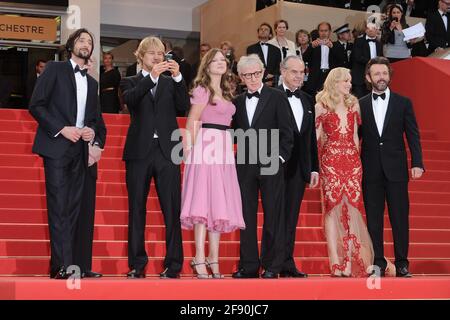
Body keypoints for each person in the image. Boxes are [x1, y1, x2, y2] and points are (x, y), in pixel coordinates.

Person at [28, 28, 98, 279]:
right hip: (56, 146)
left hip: (79, 150)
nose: (86, 44)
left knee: (74, 208)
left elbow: (93, 118)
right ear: (71, 45)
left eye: (89, 42)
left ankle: (70, 265)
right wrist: (61, 129)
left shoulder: (92, 82)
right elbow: (36, 105)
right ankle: (61, 266)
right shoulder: (55, 69)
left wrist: (91, 131)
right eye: (81, 39)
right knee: (59, 206)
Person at [120, 36, 190, 279]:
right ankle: (137, 265)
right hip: (139, 152)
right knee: (136, 209)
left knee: (172, 209)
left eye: (160, 54)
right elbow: (131, 100)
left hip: (168, 151)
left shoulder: (172, 84)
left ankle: (173, 265)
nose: (157, 58)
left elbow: (183, 106)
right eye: (151, 53)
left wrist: (179, 77)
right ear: (141, 56)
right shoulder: (129, 81)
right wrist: (152, 78)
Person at [180, 48, 245, 278]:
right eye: (215, 60)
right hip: (206, 146)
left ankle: (213, 259)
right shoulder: (202, 89)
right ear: (207, 66)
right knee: (201, 204)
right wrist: (190, 152)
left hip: (224, 148)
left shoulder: (227, 91)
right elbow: (192, 121)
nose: (220, 63)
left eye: (223, 60)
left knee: (219, 206)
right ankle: (198, 258)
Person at [360, 57, 424, 277]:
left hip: (396, 169)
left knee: (399, 217)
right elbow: (353, 138)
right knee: (374, 219)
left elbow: (413, 134)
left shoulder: (403, 102)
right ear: (369, 77)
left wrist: (417, 162)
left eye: (385, 74)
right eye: (377, 74)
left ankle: (402, 262)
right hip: (370, 170)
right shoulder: (361, 104)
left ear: (389, 76)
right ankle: (377, 262)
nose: (381, 78)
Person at [231, 54, 294, 279]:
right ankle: (248, 266)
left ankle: (272, 266)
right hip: (245, 166)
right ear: (240, 77)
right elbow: (232, 134)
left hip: (271, 164)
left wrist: (279, 159)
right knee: (245, 216)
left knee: (273, 215)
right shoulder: (236, 102)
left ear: (263, 72)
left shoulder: (276, 97)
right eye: (247, 75)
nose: (253, 78)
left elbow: (287, 133)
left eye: (256, 73)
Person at [315, 67, 374, 277]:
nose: (350, 84)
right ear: (335, 82)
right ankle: (336, 263)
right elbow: (317, 139)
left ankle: (349, 261)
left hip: (352, 163)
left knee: (352, 211)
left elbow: (357, 137)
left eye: (350, 81)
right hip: (330, 162)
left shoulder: (353, 104)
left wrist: (357, 162)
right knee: (332, 212)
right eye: (345, 81)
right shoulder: (321, 105)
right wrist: (317, 167)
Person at [278, 56, 319, 278]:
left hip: (299, 169)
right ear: (282, 71)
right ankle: (272, 262)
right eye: (294, 71)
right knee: (275, 217)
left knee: (291, 217)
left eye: (302, 72)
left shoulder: (307, 99)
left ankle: (286, 263)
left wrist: (314, 167)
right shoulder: (272, 96)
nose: (298, 76)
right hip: (276, 167)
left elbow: (310, 137)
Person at [73, 106, 106, 278]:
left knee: (86, 214)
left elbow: (101, 127)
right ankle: (65, 263)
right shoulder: (63, 93)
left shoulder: (91, 91)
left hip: (89, 164)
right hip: (66, 161)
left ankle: (84, 266)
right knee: (67, 214)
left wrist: (96, 146)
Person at [302, 22, 335, 96]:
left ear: (329, 32)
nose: (323, 33)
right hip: (315, 77)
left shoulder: (335, 45)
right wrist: (311, 47)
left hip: (329, 76)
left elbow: (340, 60)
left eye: (326, 31)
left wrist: (332, 48)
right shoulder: (313, 45)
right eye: (321, 31)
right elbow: (304, 58)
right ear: (318, 32)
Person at [351, 22, 383, 98]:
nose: (370, 30)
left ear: (377, 30)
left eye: (373, 28)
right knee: (359, 100)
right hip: (360, 77)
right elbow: (357, 57)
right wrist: (372, 63)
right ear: (365, 30)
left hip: (374, 78)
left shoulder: (379, 44)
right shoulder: (358, 41)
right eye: (368, 28)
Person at [247, 22, 282, 87]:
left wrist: (272, 77)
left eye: (266, 29)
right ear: (258, 33)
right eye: (261, 29)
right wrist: (265, 76)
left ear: (270, 35)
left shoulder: (276, 50)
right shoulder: (251, 49)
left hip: (273, 82)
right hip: (257, 81)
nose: (263, 31)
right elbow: (251, 65)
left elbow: (278, 66)